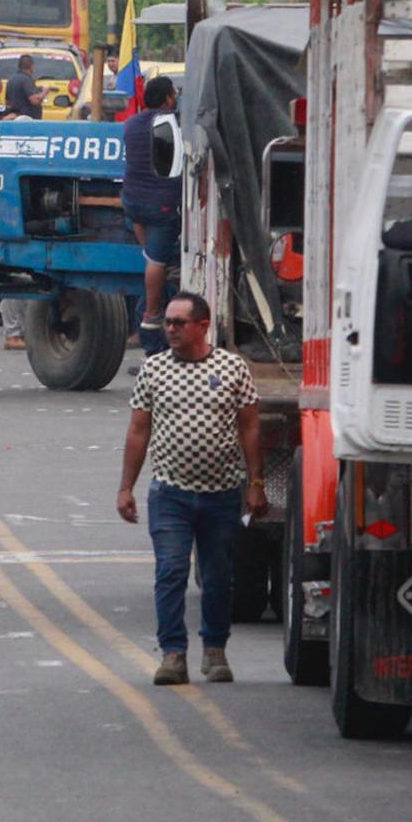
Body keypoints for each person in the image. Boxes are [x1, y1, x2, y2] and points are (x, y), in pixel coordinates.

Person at [116, 291, 266, 686]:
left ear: (203, 326)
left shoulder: (233, 369)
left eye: (179, 323)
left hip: (221, 495)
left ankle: (215, 651)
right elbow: (138, 430)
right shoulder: (154, 371)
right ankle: (173, 654)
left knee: (218, 577)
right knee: (171, 571)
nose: (171, 329)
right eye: (168, 322)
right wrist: (126, 487)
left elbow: (250, 427)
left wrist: (256, 483)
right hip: (171, 494)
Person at [122, 77, 181, 353]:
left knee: (151, 257)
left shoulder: (131, 124)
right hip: (162, 204)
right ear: (168, 99)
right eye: (174, 94)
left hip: (134, 204)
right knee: (157, 262)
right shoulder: (172, 123)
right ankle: (151, 316)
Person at [3, 53, 45, 119]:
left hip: (15, 119)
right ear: (31, 66)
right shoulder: (26, 80)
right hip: (27, 120)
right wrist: (45, 92)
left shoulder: (11, 79)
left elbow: (7, 102)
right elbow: (35, 101)